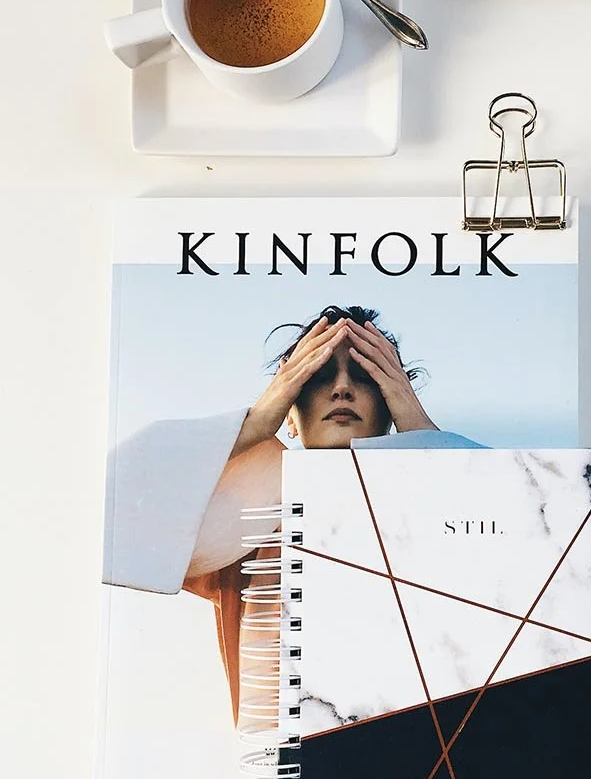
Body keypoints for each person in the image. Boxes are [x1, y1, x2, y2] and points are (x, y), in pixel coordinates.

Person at [103, 305, 479, 722]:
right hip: (284, 769)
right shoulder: (251, 510)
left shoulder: (434, 512)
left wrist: (421, 431)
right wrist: (257, 422)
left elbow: (537, 547)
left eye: (365, 373)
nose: (341, 389)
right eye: (316, 376)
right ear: (290, 415)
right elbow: (103, 516)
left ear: (391, 400)